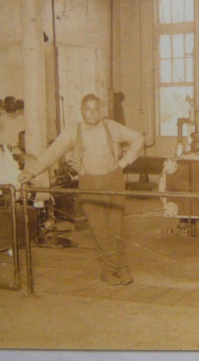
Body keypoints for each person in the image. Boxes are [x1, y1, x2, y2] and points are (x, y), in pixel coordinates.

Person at [18, 94, 144, 286]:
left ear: (101, 110)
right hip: (90, 183)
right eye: (88, 109)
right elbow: (52, 153)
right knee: (100, 230)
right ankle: (115, 269)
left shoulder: (110, 126)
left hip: (114, 180)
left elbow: (138, 138)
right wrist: (31, 172)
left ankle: (112, 269)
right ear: (82, 111)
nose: (92, 113)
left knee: (116, 229)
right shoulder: (73, 132)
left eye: (96, 109)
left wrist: (124, 162)